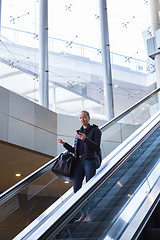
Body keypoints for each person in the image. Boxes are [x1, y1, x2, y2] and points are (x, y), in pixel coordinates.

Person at [58, 110, 101, 223]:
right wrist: (64, 144)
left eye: (84, 117)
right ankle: (82, 213)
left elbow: (96, 147)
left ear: (89, 118)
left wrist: (85, 139)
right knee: (76, 188)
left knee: (90, 186)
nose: (82, 119)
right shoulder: (78, 133)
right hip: (78, 162)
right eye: (80, 118)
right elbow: (75, 150)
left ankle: (89, 214)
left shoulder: (95, 130)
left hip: (89, 161)